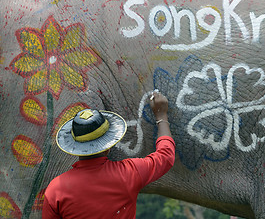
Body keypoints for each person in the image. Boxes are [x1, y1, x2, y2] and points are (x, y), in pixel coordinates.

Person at [42, 91, 175, 219]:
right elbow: (166, 156)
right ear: (108, 145)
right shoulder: (128, 173)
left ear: (75, 146)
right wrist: (161, 115)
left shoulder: (55, 190)